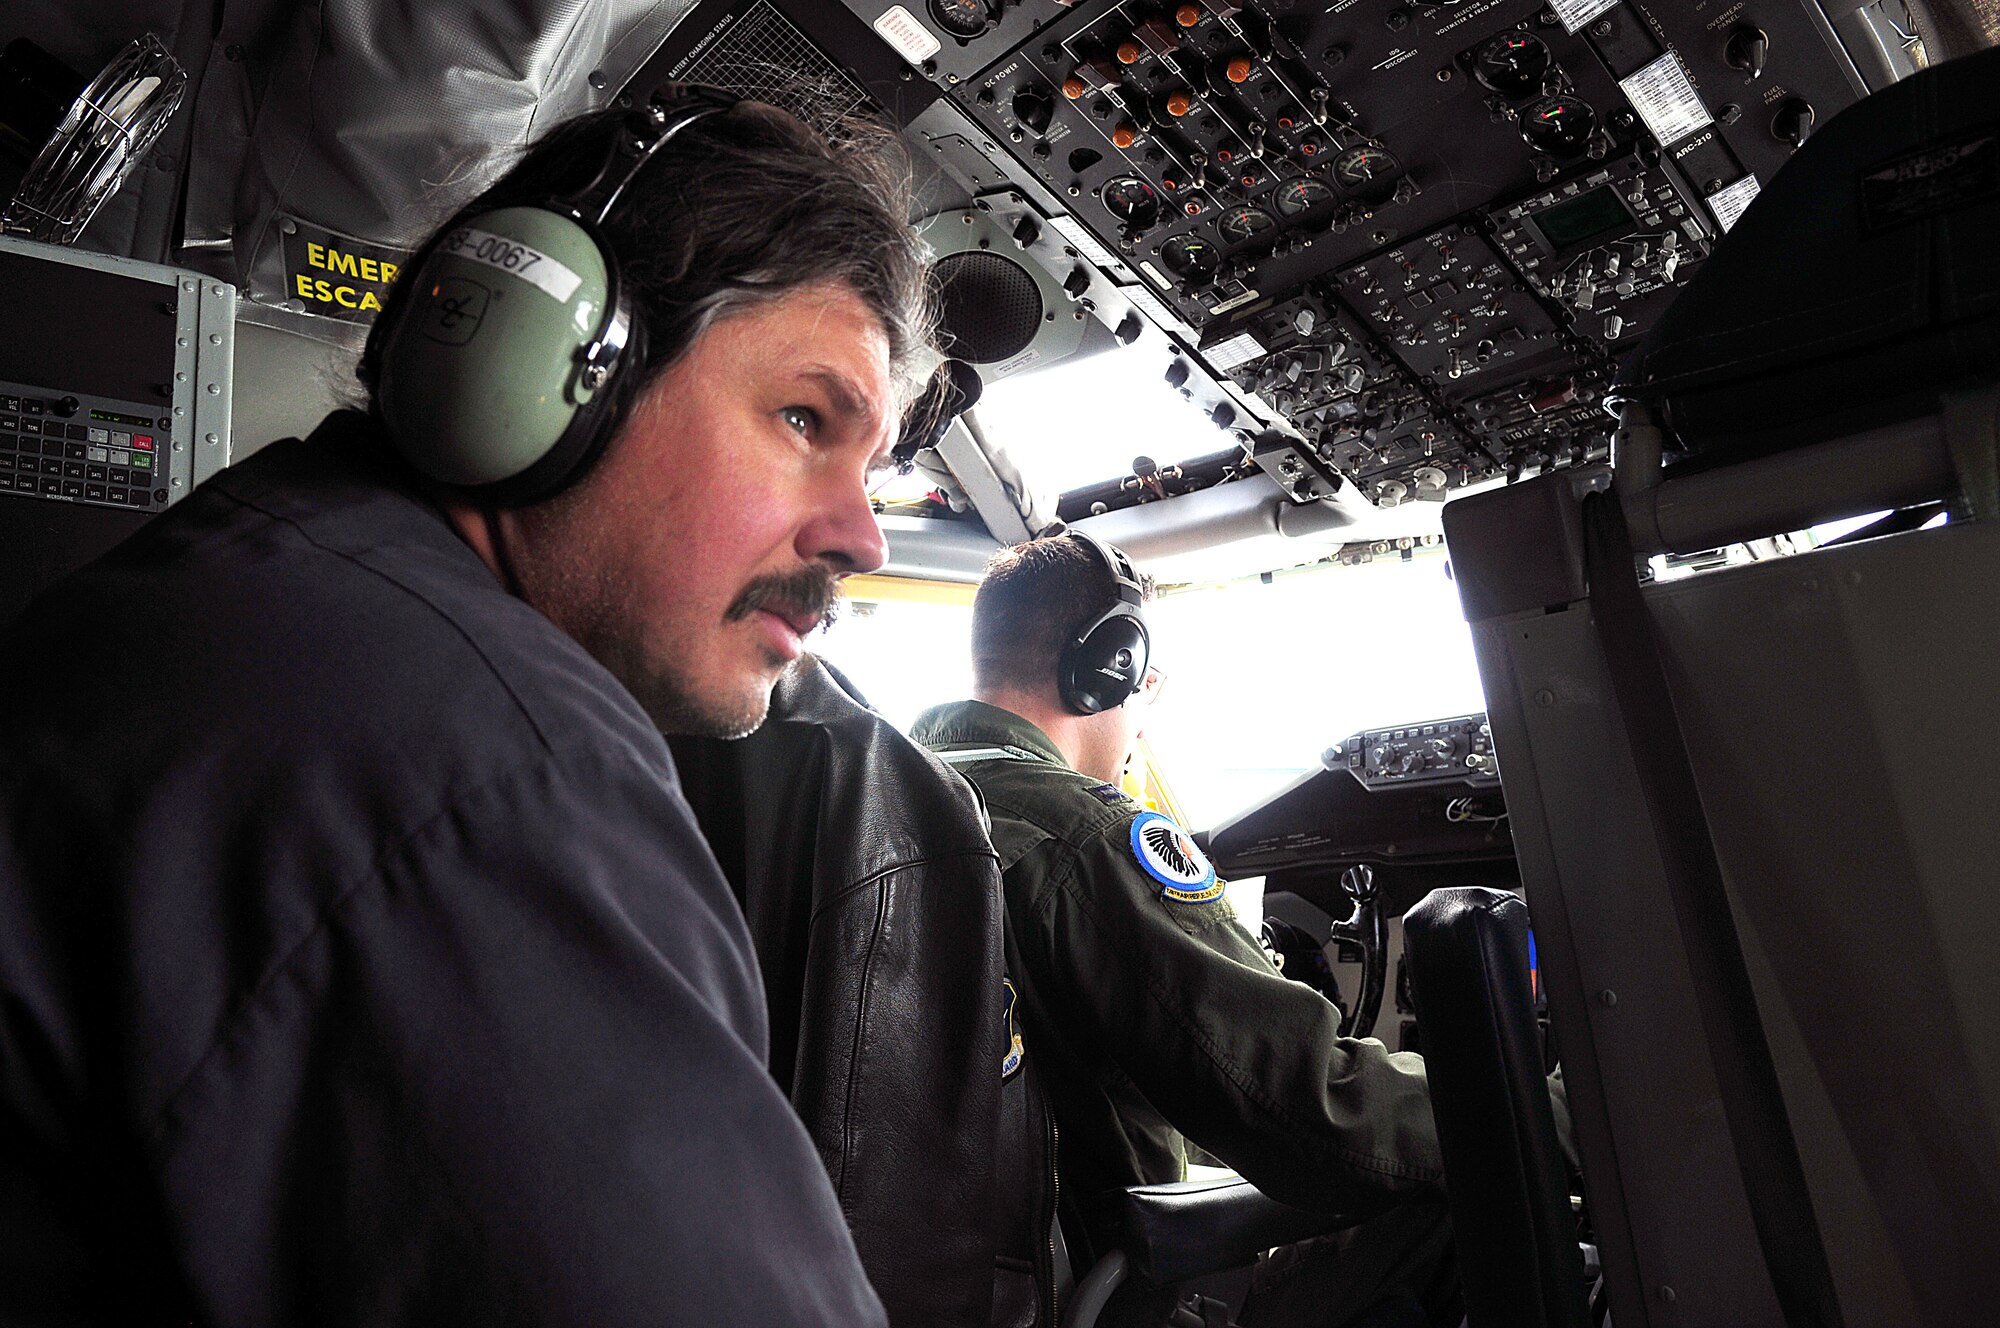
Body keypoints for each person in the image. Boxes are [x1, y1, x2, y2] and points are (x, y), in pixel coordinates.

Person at [0, 86, 931, 1325]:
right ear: (549, 368)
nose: (861, 535)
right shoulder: (488, 768)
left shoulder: (265, 571)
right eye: (804, 417)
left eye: (871, 466)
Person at [911, 533, 1460, 1328]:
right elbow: (1311, 1105)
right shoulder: (1084, 837)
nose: (1141, 720)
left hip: (943, 1284)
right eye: (1148, 686)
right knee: (1454, 1203)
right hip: (1103, 1294)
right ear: (1111, 669)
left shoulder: (882, 799)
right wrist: (1533, 1101)